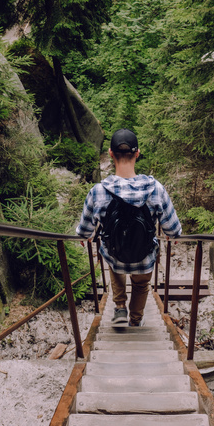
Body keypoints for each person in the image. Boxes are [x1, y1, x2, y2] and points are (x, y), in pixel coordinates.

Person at [76, 129, 181, 326]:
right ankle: (135, 319)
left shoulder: (98, 191)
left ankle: (120, 308)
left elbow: (85, 229)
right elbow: (172, 228)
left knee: (113, 262)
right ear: (137, 153)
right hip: (144, 255)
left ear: (111, 154)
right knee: (141, 285)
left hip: (115, 254)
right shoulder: (155, 189)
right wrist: (173, 235)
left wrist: (83, 236)